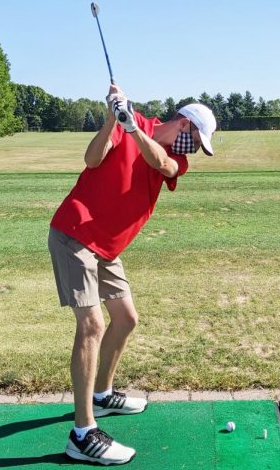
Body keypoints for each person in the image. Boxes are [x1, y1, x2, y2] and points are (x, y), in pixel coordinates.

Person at [49, 84, 216, 465]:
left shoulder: (173, 156)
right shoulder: (127, 122)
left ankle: (103, 396)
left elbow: (162, 165)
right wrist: (113, 118)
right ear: (184, 124)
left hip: (107, 248)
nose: (196, 150)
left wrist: (133, 129)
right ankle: (82, 433)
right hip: (75, 233)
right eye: (197, 140)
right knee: (91, 325)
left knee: (125, 319)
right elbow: (92, 161)